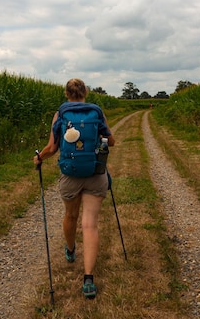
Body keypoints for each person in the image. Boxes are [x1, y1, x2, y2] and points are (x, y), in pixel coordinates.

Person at [33, 78, 115, 299]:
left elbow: (52, 147)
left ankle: (70, 250)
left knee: (70, 215)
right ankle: (88, 279)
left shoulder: (60, 114)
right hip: (95, 174)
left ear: (66, 93)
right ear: (85, 92)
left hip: (70, 175)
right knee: (90, 224)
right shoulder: (96, 112)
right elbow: (111, 140)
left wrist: (39, 158)